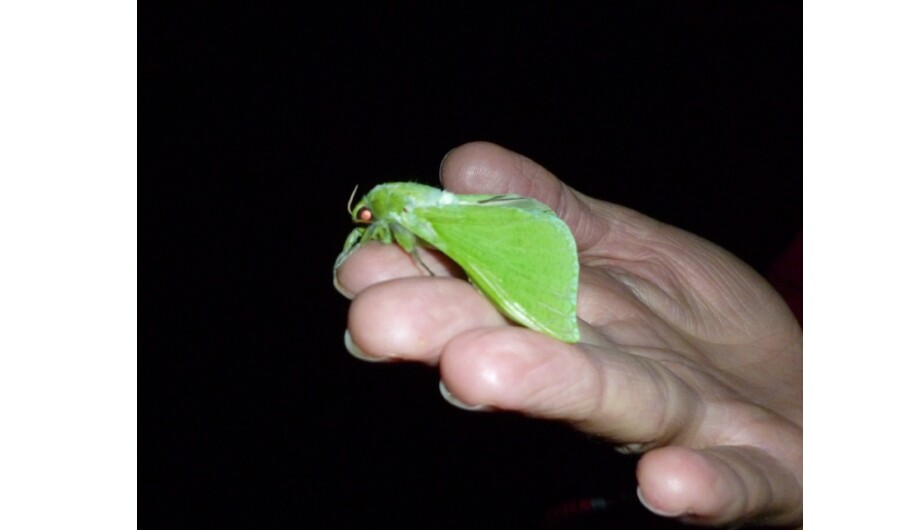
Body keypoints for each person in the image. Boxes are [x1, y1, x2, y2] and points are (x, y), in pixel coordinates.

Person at [334, 142, 802, 528]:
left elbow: (401, 235)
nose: (368, 224)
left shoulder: (401, 214)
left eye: (368, 220)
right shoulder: (393, 209)